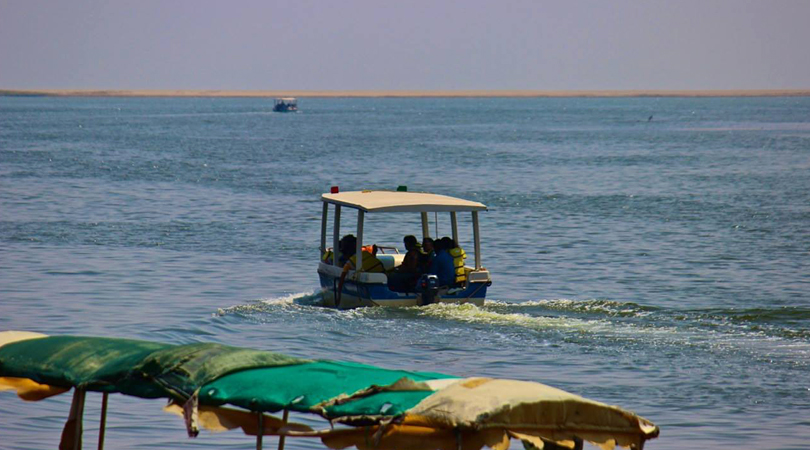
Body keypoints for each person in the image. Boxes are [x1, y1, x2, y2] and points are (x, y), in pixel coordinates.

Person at [336, 235, 385, 307]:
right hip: (383, 279)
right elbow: (371, 264)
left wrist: (338, 296)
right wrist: (374, 253)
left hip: (369, 290)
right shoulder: (366, 254)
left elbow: (341, 280)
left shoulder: (349, 263)